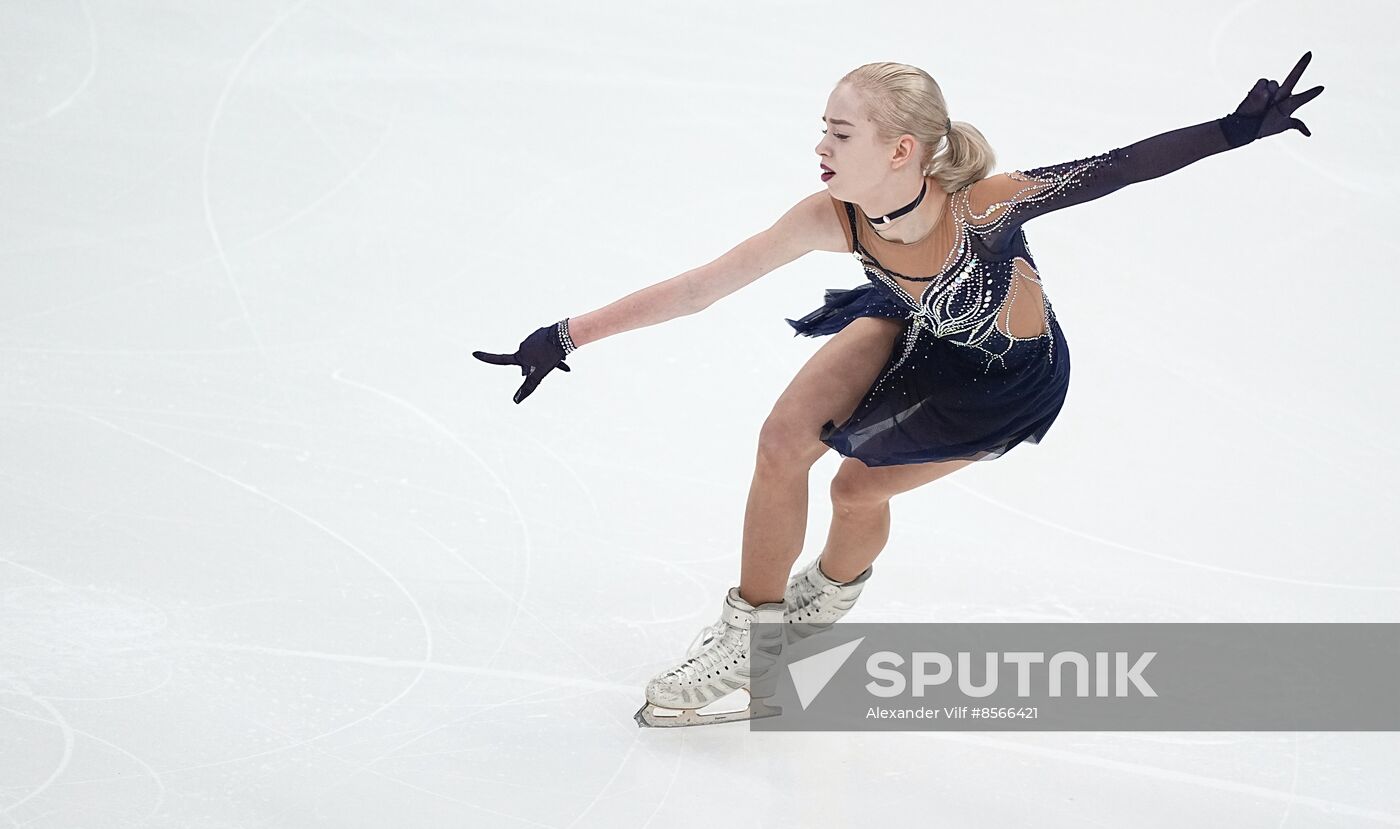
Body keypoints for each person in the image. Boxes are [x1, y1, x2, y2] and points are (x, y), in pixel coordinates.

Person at [473, 54, 1323, 728]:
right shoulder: (832, 215)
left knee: (854, 487)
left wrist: (1233, 129)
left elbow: (1115, 169)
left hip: (1004, 378)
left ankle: (815, 616)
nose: (821, 148)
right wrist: (566, 333)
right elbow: (703, 287)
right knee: (781, 442)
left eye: (840, 134)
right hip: (911, 318)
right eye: (823, 130)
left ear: (901, 150)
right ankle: (751, 639)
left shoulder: (984, 209)